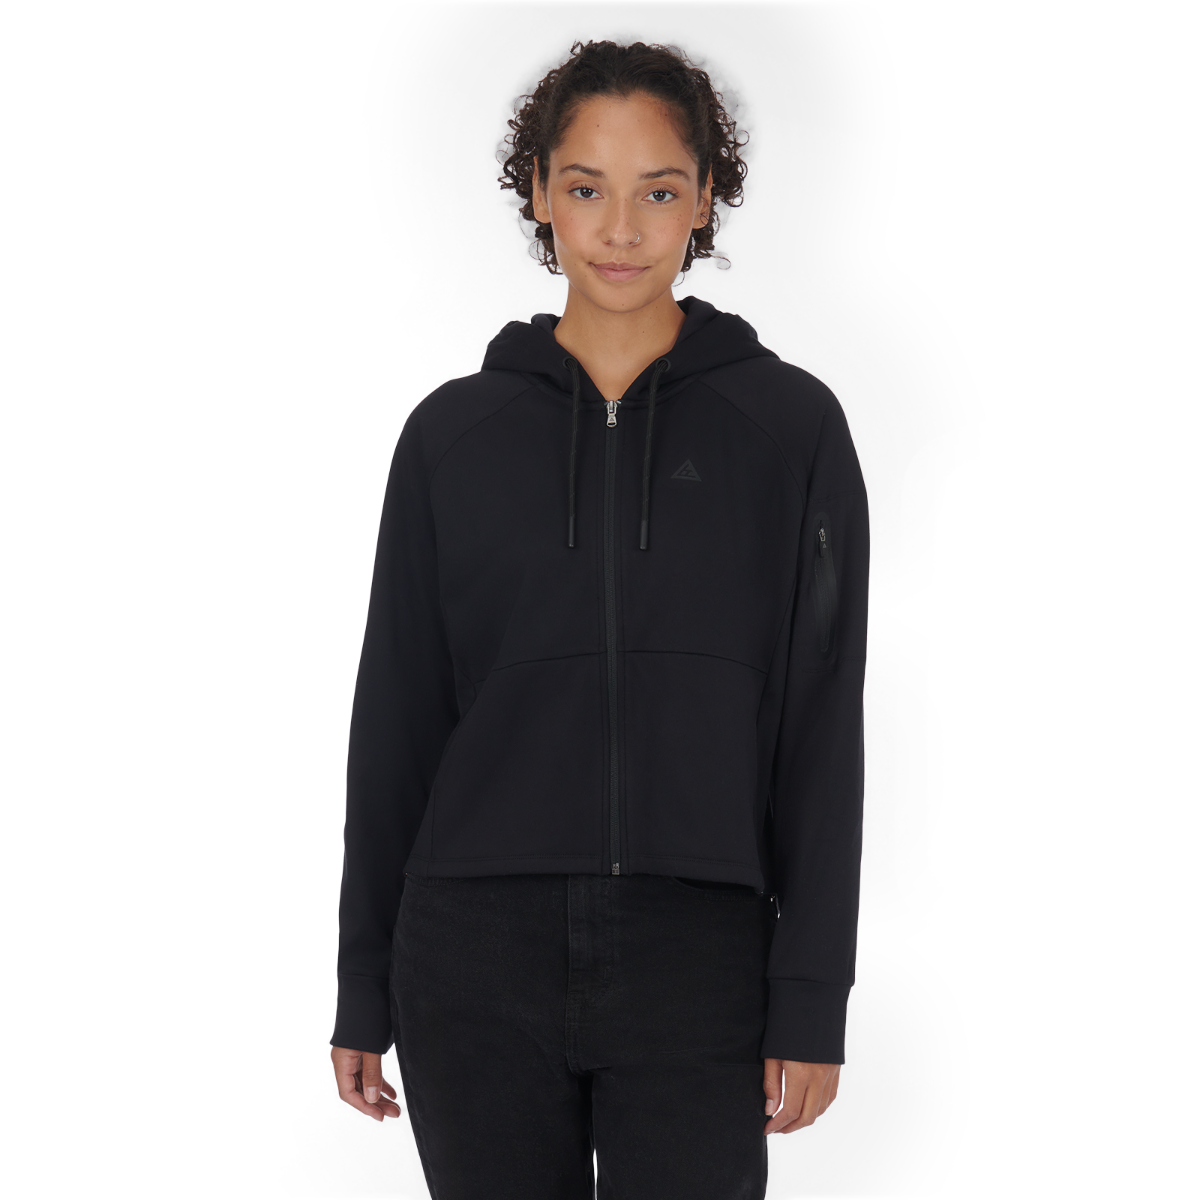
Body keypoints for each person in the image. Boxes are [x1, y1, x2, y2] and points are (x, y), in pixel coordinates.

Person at [330, 35, 868, 1200]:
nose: (621, 229)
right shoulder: (449, 437)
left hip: (702, 954)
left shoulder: (792, 430)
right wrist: (361, 984)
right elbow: (395, 722)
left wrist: (811, 997)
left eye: (658, 192)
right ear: (538, 194)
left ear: (707, 200)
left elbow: (823, 723)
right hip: (472, 950)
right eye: (587, 188)